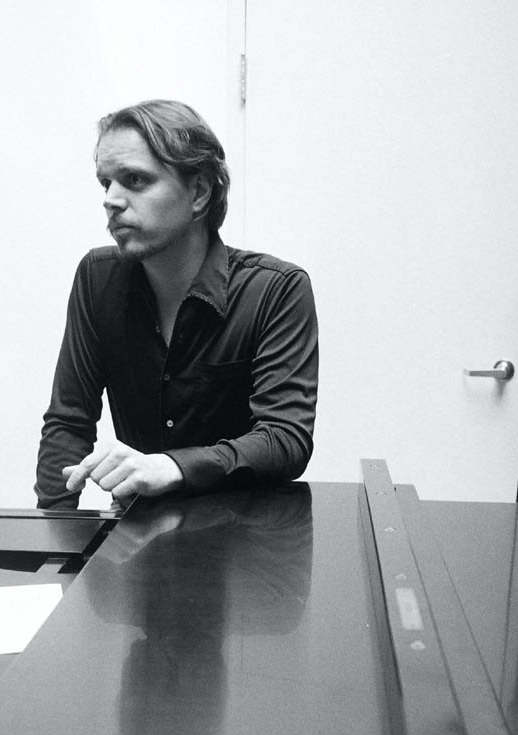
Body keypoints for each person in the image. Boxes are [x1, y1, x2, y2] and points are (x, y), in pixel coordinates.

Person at [35, 99, 318, 509]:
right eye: (105, 182)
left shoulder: (277, 290)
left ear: (199, 191)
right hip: (138, 537)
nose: (111, 200)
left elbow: (284, 438)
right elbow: (68, 423)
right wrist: (55, 546)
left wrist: (173, 467)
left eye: (134, 180)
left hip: (246, 545)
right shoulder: (97, 279)